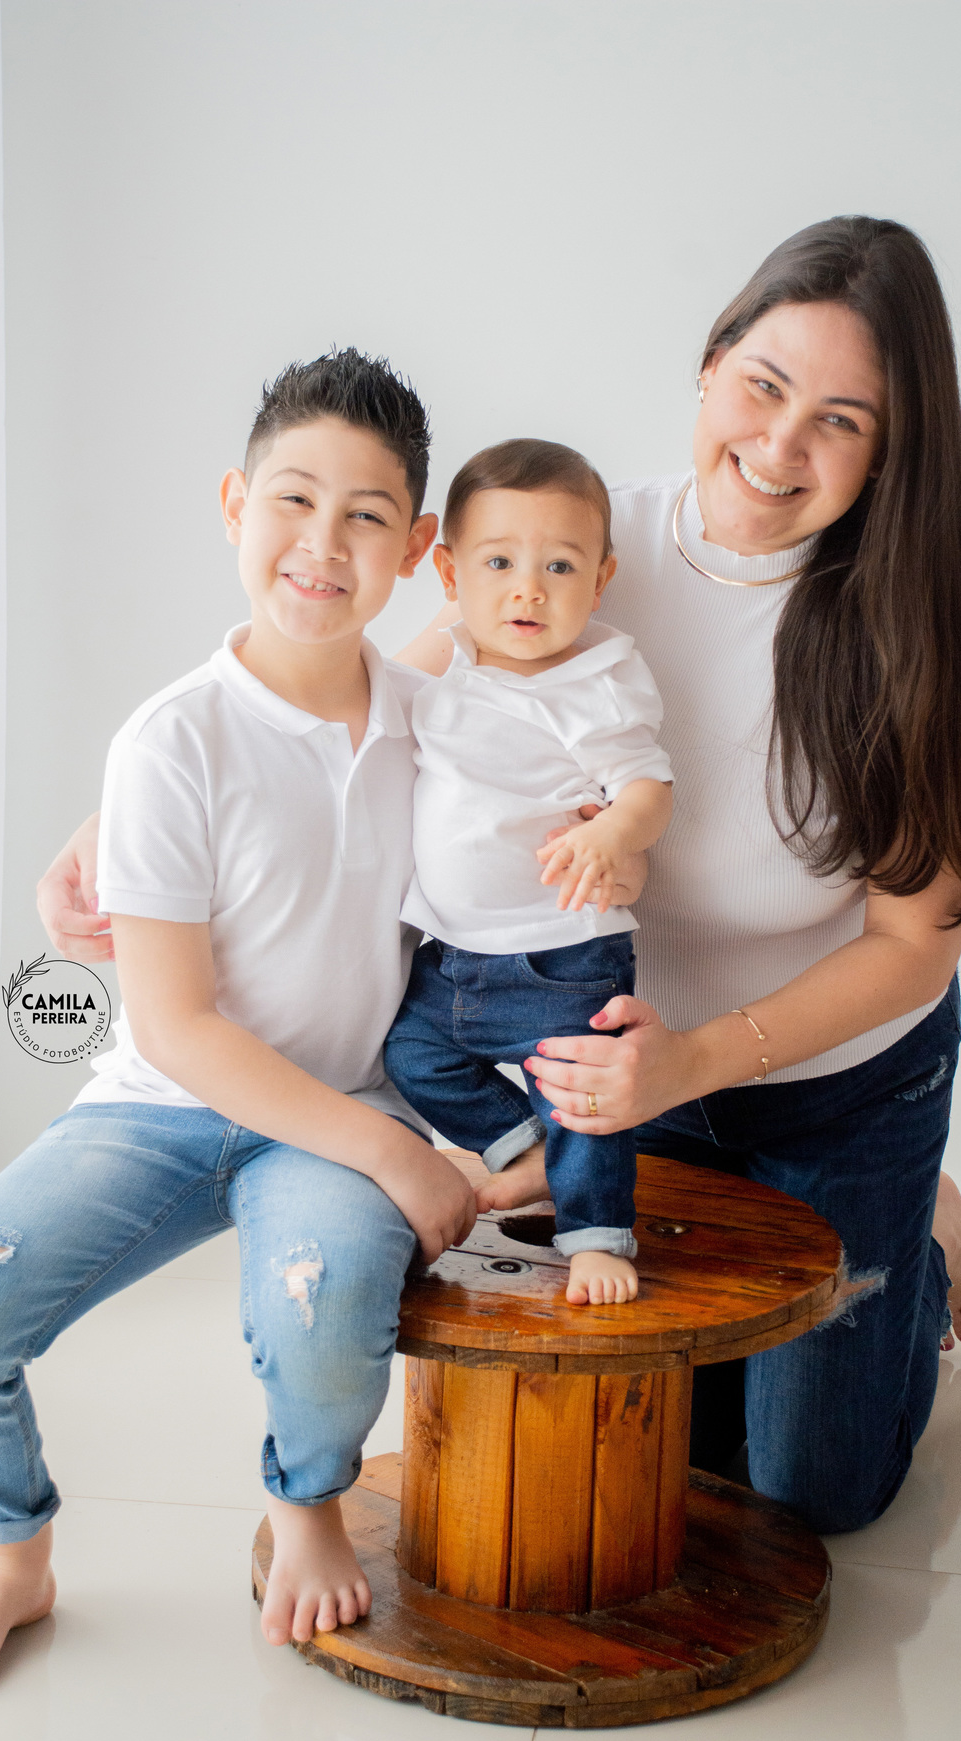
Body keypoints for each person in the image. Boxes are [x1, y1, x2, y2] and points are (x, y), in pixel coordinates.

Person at [40, 217, 961, 1537]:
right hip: (616, 1065)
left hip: (837, 1082)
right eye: (764, 386)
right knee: (665, 1440)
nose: (782, 445)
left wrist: (698, 1060)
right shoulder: (583, 544)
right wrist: (124, 816)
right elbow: (374, 688)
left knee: (808, 1494)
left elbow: (914, 947)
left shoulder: (919, 624)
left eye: (841, 422)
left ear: (891, 449)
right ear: (711, 362)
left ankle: (918, 1222)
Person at [0, 350, 480, 1702]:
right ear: (232, 505)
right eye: (293, 500)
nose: (321, 543)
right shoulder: (170, 742)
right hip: (167, 1102)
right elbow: (175, 1023)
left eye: (367, 517)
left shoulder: (439, 725)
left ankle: (307, 1503)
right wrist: (404, 1160)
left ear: (416, 549)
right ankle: (7, 1554)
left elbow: (504, 657)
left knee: (324, 1305)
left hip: (334, 1109)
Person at [383, 439, 674, 1306]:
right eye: (500, 563)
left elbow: (649, 787)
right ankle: (523, 1148)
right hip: (451, 952)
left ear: (601, 578)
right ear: (449, 573)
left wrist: (614, 833)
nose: (528, 590)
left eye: (560, 567)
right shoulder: (442, 667)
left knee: (582, 1097)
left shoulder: (599, 678)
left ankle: (595, 1237)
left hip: (562, 951)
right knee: (410, 1053)